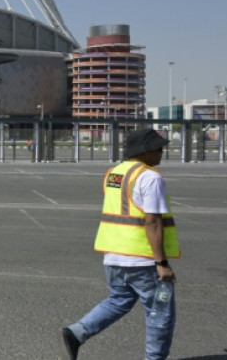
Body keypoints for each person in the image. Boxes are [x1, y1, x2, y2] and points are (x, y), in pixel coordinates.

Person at [60, 128, 180, 360]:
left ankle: (76, 333)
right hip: (143, 258)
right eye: (157, 148)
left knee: (118, 300)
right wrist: (162, 263)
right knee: (160, 314)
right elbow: (152, 221)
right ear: (143, 150)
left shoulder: (115, 173)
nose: (161, 152)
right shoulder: (150, 177)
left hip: (114, 255)